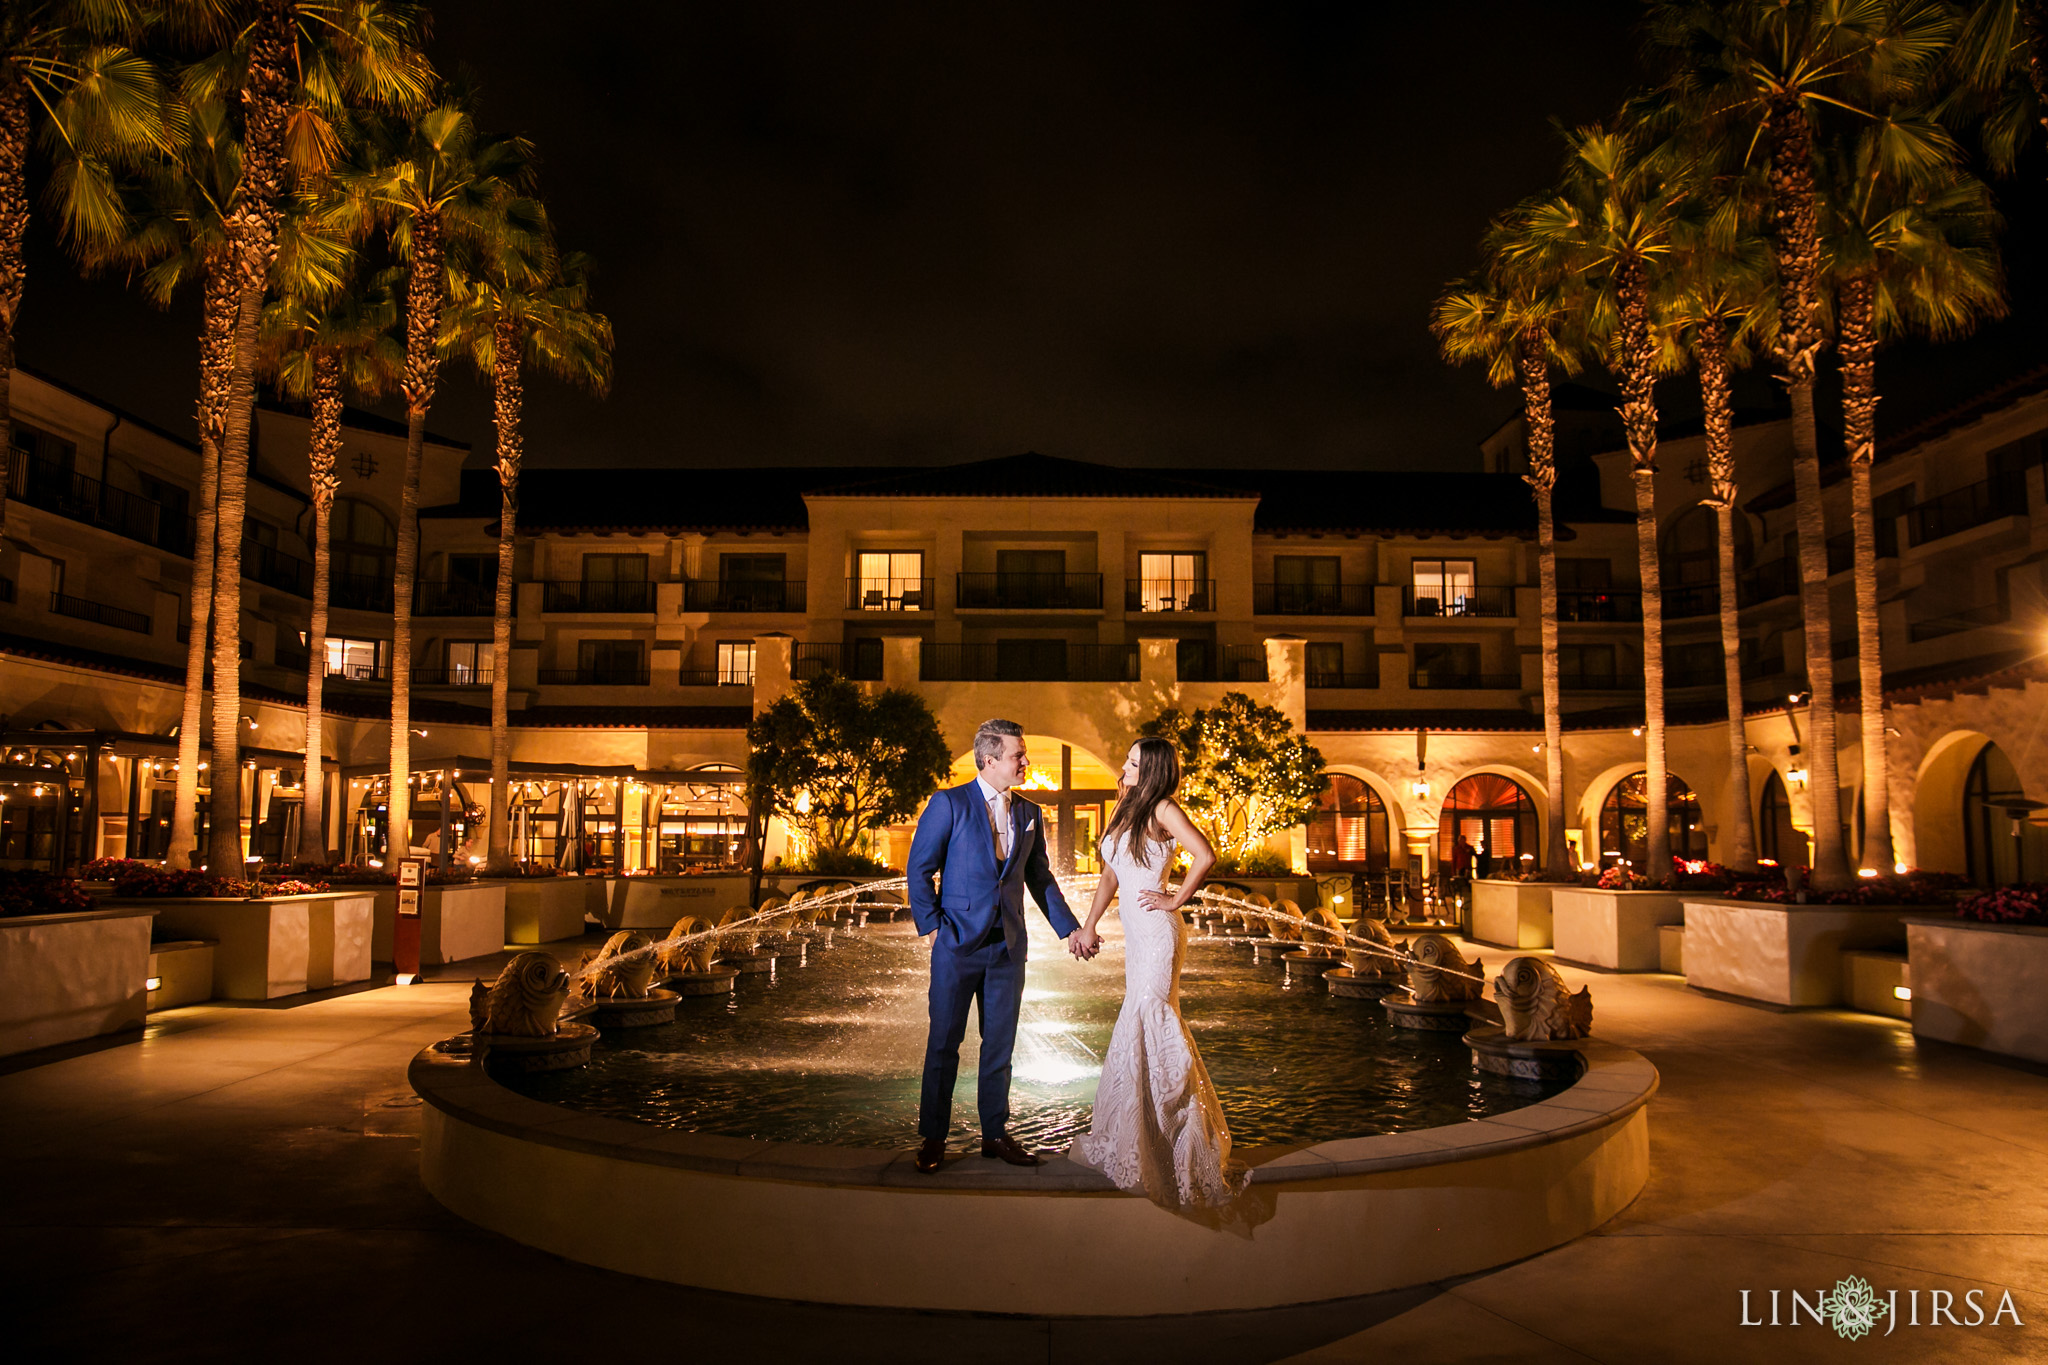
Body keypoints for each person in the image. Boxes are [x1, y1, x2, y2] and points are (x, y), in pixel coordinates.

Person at [1068, 737, 1249, 1211]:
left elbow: (1205, 855)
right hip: (1135, 934)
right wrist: (1088, 924)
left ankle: (1178, 1129)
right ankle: (1141, 1129)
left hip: (1159, 931)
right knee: (1140, 1020)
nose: (1123, 768)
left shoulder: (1165, 808)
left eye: (1132, 762)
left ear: (1151, 770)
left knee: (1153, 1016)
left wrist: (1175, 899)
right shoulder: (1126, 806)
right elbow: (1111, 875)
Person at [905, 718, 1092, 1174]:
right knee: (943, 1045)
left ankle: (994, 1135)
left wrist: (1070, 930)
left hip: (1008, 950)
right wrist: (932, 930)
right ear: (989, 760)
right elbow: (918, 869)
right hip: (956, 947)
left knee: (1000, 1048)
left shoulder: (1030, 814)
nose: (1026, 762)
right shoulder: (948, 803)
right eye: (1017, 755)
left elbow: (1040, 878)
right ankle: (933, 1137)